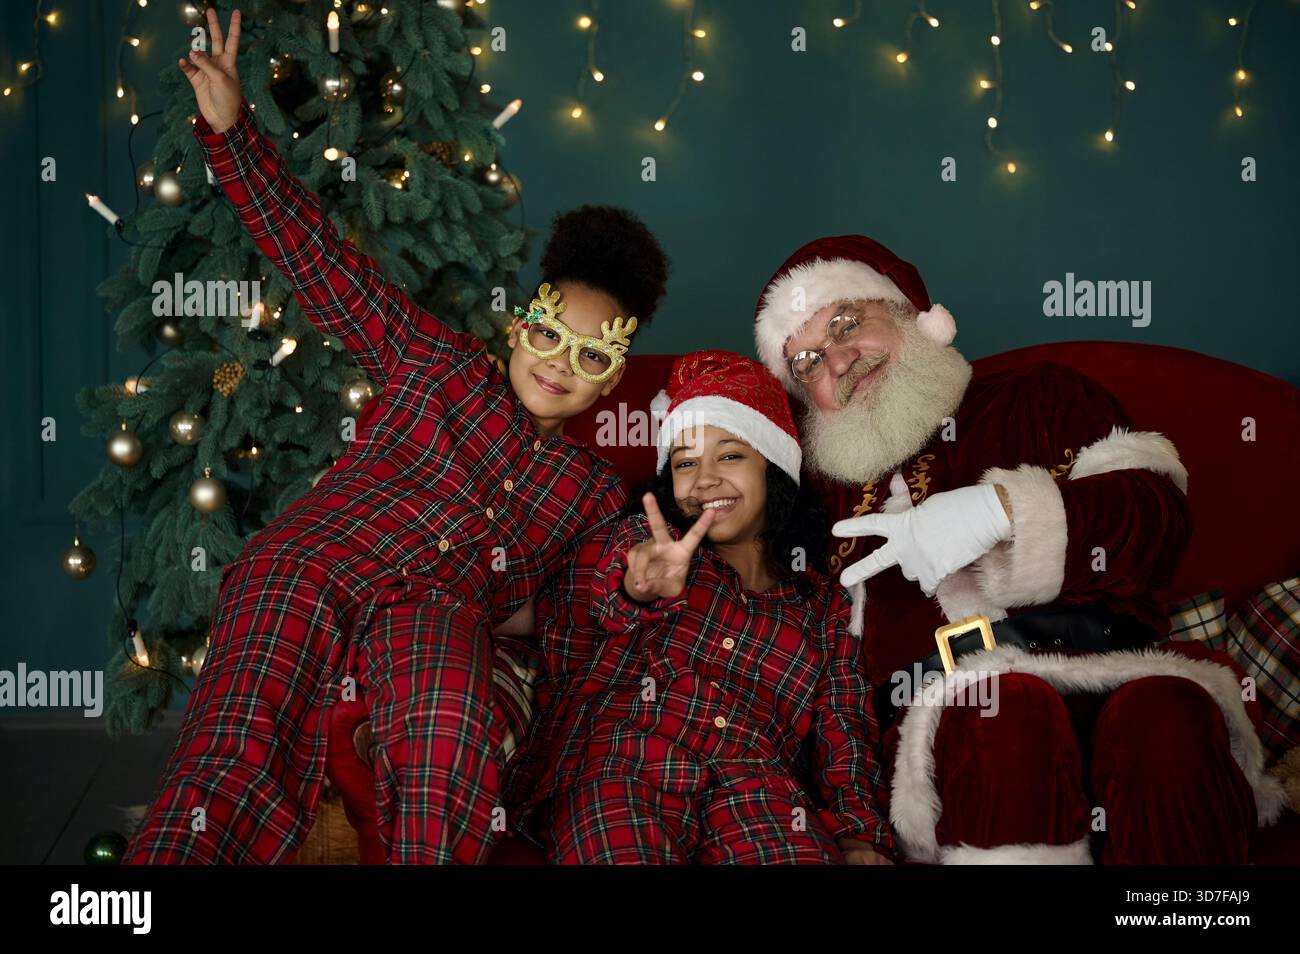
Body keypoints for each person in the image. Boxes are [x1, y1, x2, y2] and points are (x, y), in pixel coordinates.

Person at [125, 8, 669, 864]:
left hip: (436, 611)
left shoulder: (592, 495)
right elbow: (322, 265)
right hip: (317, 563)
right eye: (549, 333)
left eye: (590, 355)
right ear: (520, 328)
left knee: (448, 735)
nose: (560, 363)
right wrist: (233, 135)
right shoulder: (435, 364)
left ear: (610, 378)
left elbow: (591, 597)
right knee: (230, 752)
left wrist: (635, 584)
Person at [750, 233, 1284, 863]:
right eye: (807, 360)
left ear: (908, 314)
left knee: (1169, 719)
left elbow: (1157, 517)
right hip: (947, 727)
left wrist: (1000, 512)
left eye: (846, 323)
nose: (836, 361)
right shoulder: (816, 496)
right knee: (1003, 714)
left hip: (1113, 666)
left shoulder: (1042, 396)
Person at [509, 351, 895, 863]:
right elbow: (580, 605)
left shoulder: (823, 604)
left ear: (774, 467)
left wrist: (859, 832)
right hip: (621, 764)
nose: (705, 480)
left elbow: (843, 725)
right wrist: (635, 587)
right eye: (685, 463)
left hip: (757, 787)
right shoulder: (646, 540)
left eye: (730, 455)